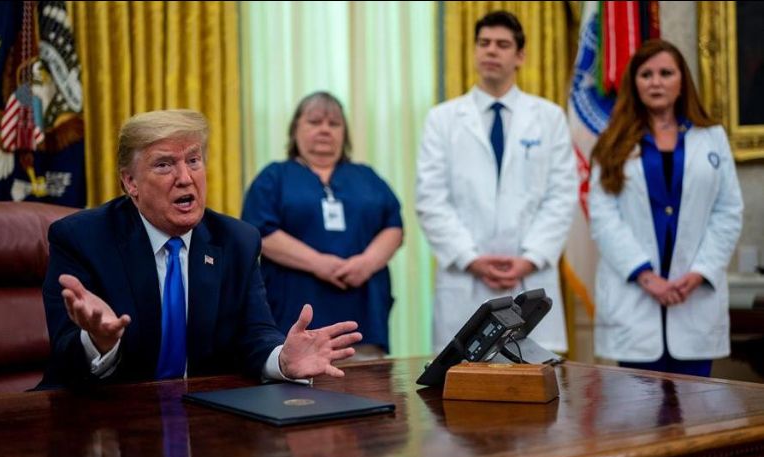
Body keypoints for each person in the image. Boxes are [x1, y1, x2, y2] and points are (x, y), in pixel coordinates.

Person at [39, 109, 362, 389]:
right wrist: (99, 341)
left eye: (193, 160)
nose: (185, 177)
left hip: (200, 417)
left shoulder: (237, 240)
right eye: (164, 165)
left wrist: (282, 360)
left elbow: (255, 334)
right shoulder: (81, 238)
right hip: (101, 415)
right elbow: (65, 355)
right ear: (130, 183)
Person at [415, 11, 577, 352]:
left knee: (532, 384)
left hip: (529, 278)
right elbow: (431, 199)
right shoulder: (442, 119)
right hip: (465, 280)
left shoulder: (548, 118)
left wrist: (530, 258)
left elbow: (561, 196)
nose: (491, 51)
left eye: (502, 44)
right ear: (474, 51)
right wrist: (470, 258)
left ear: (520, 56)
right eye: (484, 43)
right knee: (460, 386)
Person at [589, 39, 744, 377]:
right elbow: (603, 218)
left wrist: (699, 272)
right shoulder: (612, 142)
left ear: (681, 82)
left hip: (694, 294)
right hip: (636, 298)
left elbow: (728, 210)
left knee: (695, 415)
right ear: (634, 83)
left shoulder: (712, 137)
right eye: (646, 74)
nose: (656, 82)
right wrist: (646, 276)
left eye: (665, 73)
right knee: (637, 416)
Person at [242, 92, 403, 359]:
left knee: (368, 394)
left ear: (345, 133)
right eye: (314, 122)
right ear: (296, 130)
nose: (325, 130)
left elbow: (394, 226)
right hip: (293, 320)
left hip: (363, 320)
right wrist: (318, 263)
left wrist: (367, 262)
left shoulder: (367, 176)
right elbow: (260, 232)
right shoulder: (275, 177)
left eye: (334, 124)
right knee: (297, 400)